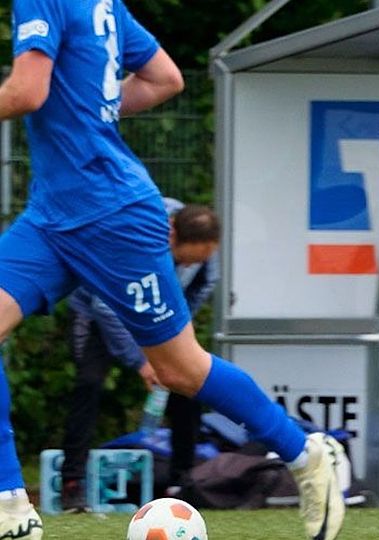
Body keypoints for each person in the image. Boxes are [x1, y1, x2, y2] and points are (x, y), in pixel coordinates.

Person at [0, 0, 343, 538]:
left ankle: (305, 453)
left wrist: (84, 113)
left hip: (112, 214)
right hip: (51, 214)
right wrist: (89, 111)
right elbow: (165, 79)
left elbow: (26, 92)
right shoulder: (104, 4)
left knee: (182, 370)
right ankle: (10, 504)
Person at [60, 199, 218, 512]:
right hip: (96, 310)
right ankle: (72, 483)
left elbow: (203, 286)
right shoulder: (138, 240)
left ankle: (182, 481)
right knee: (89, 383)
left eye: (197, 262)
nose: (190, 267)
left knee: (187, 382)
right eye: (186, 261)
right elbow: (106, 306)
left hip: (156, 312)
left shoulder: (202, 241)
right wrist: (142, 362)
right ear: (172, 239)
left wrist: (173, 334)